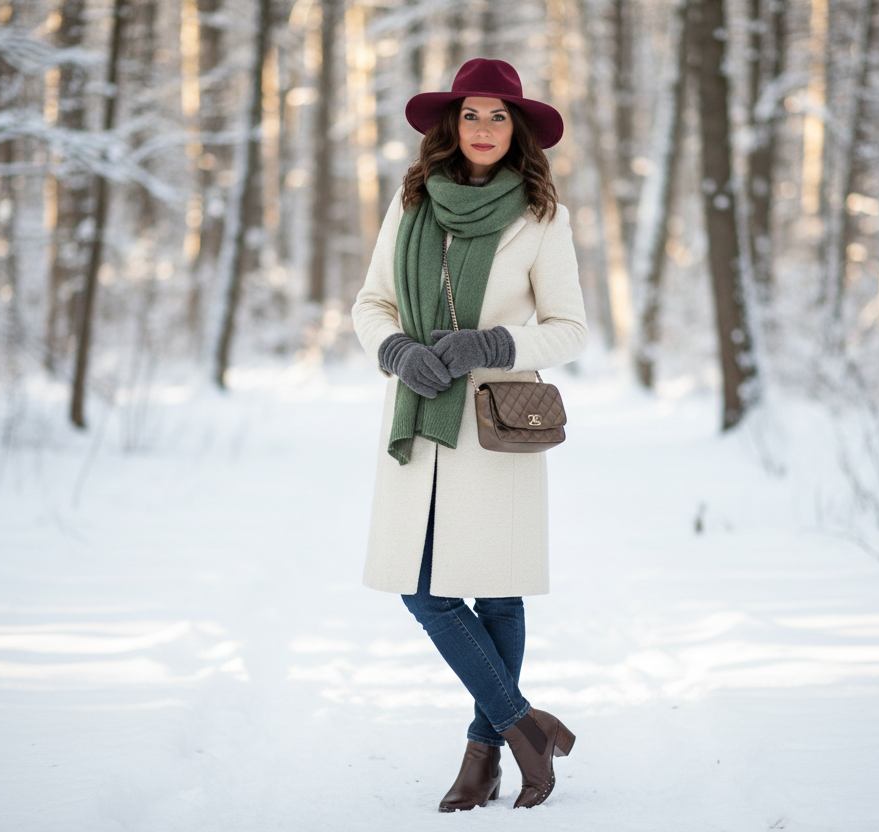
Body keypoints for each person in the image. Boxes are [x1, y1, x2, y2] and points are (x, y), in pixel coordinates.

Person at [351, 58, 588, 812]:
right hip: (418, 419)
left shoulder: (541, 215)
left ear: (516, 128)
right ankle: (525, 724)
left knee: (498, 594)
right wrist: (397, 349)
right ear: (451, 124)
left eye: (498, 116)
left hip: (493, 429)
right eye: (471, 114)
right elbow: (372, 301)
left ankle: (481, 758)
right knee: (423, 592)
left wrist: (490, 345)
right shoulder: (412, 200)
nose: (483, 128)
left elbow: (569, 330)